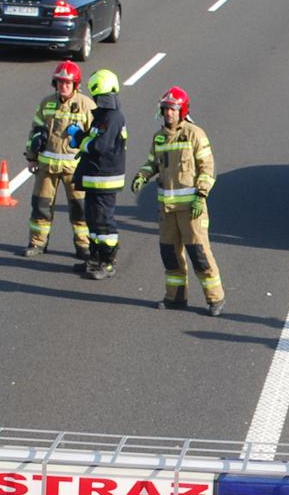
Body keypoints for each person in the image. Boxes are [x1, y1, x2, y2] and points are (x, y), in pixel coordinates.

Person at [131, 87, 224, 316]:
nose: (168, 114)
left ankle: (215, 298)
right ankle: (175, 296)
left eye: (172, 109)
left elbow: (207, 168)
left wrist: (201, 196)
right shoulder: (159, 137)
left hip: (191, 210)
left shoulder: (194, 134)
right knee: (170, 254)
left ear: (182, 111)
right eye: (165, 109)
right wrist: (142, 176)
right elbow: (153, 163)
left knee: (199, 254)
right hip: (167, 208)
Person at [22, 60, 94, 260]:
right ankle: (37, 243)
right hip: (46, 167)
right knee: (41, 206)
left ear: (75, 85)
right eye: (60, 82)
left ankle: (83, 246)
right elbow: (35, 132)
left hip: (75, 169)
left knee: (80, 210)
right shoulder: (47, 103)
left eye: (67, 83)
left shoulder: (86, 105)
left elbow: (95, 137)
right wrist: (32, 157)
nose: (63, 86)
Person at [73, 69, 127, 280]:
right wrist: (82, 136)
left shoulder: (113, 117)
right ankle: (95, 258)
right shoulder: (103, 117)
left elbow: (100, 146)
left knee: (104, 221)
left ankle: (108, 261)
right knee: (92, 219)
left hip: (105, 178)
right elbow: (94, 139)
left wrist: (81, 141)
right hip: (94, 176)